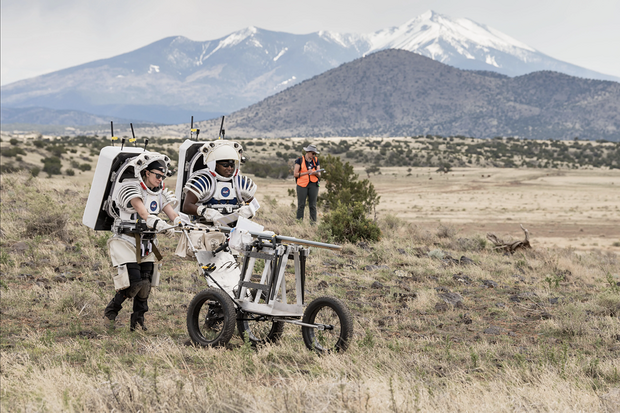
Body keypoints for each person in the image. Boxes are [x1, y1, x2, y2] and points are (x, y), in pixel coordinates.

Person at [104, 154, 180, 331]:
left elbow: (172, 215)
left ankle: (138, 321)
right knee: (134, 282)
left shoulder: (159, 193)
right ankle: (111, 311)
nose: (160, 180)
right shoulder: (131, 189)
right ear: (146, 173)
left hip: (147, 243)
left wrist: (179, 223)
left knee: (146, 284)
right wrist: (158, 223)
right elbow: (144, 213)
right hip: (126, 240)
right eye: (157, 176)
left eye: (163, 177)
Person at [182, 140, 257, 227]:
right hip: (206, 228)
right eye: (225, 165)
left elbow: (254, 204)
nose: (229, 168)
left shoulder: (239, 182)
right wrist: (206, 212)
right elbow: (187, 206)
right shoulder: (204, 181)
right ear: (215, 165)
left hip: (234, 228)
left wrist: (248, 211)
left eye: (232, 165)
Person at [294, 144, 321, 223]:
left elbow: (319, 174)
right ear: (308, 152)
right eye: (313, 153)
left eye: (315, 154)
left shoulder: (316, 160)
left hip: (313, 184)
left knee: (313, 205)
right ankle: (299, 223)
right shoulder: (299, 160)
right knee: (301, 205)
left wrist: (315, 173)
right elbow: (295, 174)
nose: (314, 155)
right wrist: (306, 173)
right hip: (302, 185)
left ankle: (313, 223)